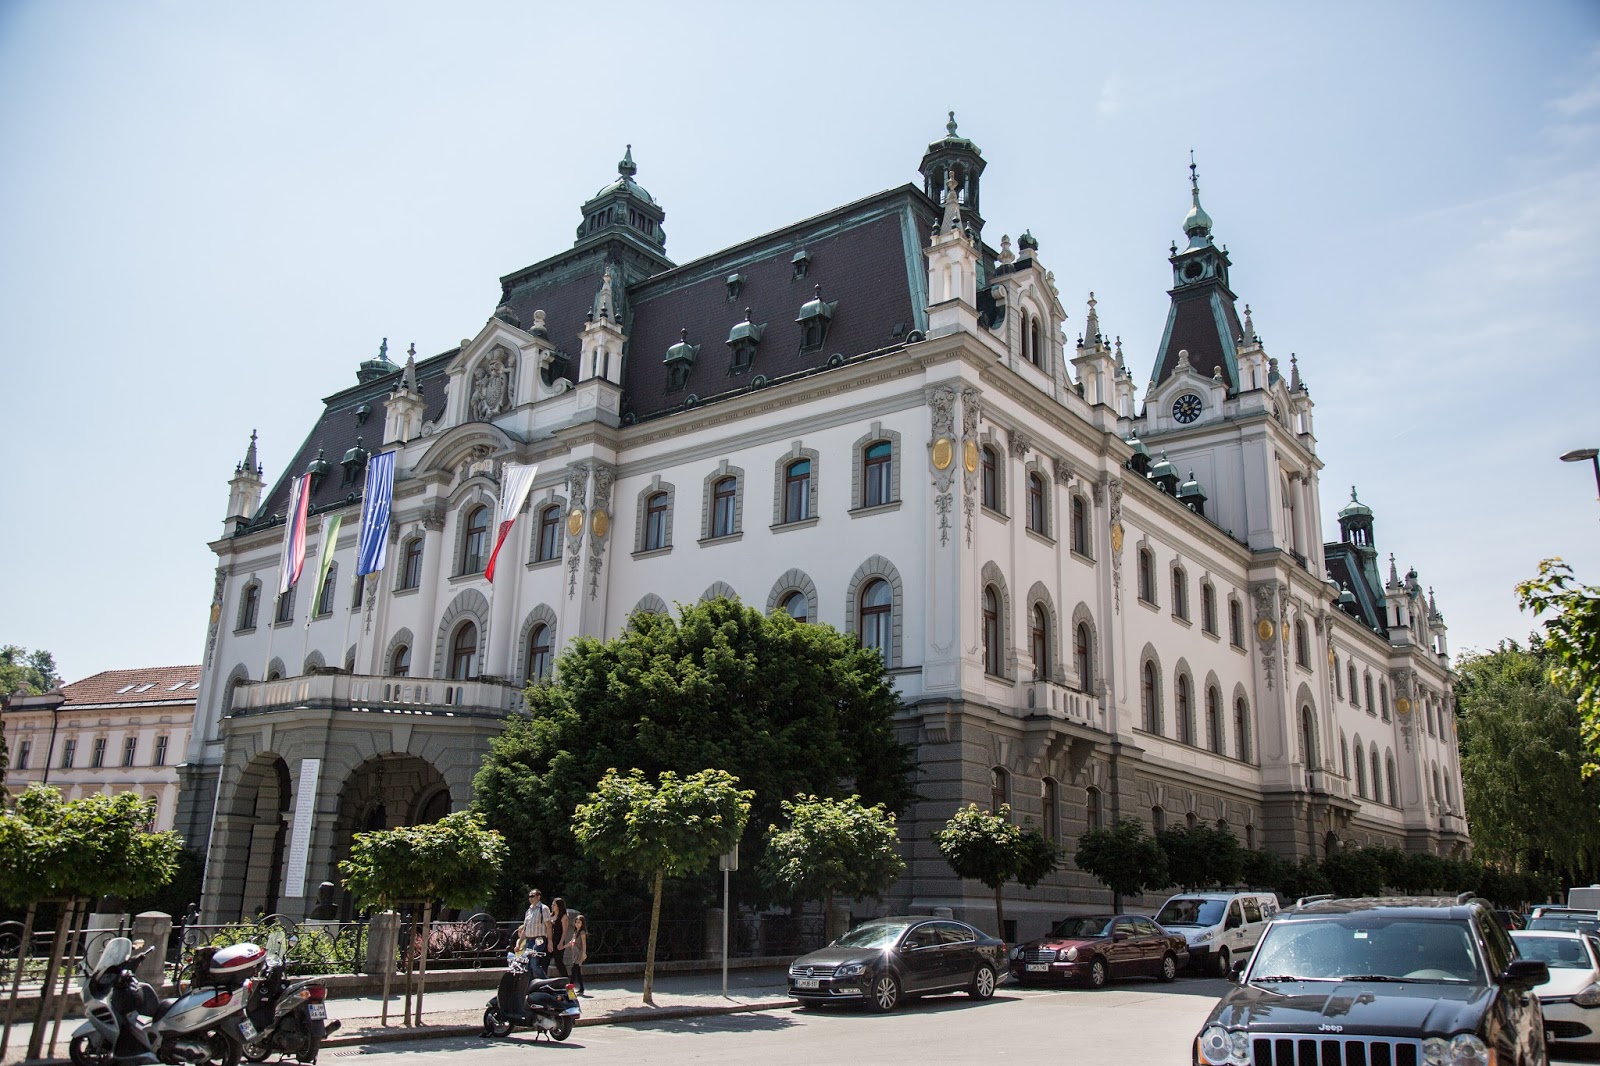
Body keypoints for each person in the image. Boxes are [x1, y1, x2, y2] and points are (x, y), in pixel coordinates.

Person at [562, 912, 588, 995]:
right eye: (576, 922)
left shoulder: (582, 932)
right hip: (575, 952)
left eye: (579, 922)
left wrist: (584, 954)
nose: (577, 924)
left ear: (582, 923)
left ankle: (570, 987)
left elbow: (584, 944)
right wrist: (563, 946)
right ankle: (581, 987)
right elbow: (571, 942)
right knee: (577, 971)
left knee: (574, 969)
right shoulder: (576, 932)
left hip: (579, 953)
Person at [549, 898, 570, 979]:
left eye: (554, 905)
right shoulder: (551, 916)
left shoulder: (563, 917)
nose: (552, 906)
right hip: (550, 940)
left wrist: (561, 942)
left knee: (558, 961)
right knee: (545, 959)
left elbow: (565, 931)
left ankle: (566, 979)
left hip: (558, 939)